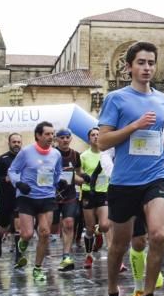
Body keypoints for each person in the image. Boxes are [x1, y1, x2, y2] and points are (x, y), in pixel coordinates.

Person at [98, 41, 164, 296]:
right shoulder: (116, 99)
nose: (147, 68)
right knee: (119, 245)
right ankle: (112, 293)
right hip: (124, 181)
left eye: (151, 63)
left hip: (155, 175)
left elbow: (161, 137)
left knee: (158, 235)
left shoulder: (161, 100)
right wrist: (133, 126)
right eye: (141, 63)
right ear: (129, 66)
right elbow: (102, 141)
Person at [8, 121, 64, 282]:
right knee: (27, 233)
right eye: (47, 134)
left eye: (52, 134)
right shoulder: (26, 152)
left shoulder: (56, 154)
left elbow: (58, 172)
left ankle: (38, 268)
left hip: (46, 196)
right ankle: (22, 242)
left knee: (45, 233)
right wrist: (18, 183)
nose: (51, 137)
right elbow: (13, 170)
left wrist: (59, 181)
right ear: (38, 135)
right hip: (27, 196)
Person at [52, 128, 84, 272]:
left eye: (67, 137)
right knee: (48, 230)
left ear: (71, 139)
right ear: (56, 139)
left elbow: (77, 176)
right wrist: (58, 179)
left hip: (69, 196)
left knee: (69, 224)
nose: (65, 140)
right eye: (62, 137)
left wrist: (84, 179)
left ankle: (66, 256)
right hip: (51, 195)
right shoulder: (51, 154)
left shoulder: (76, 155)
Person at [80, 127, 110, 269]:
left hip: (104, 192)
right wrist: (84, 178)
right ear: (89, 139)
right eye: (93, 135)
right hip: (88, 193)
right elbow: (78, 172)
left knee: (105, 225)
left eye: (98, 134)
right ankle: (89, 255)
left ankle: (113, 256)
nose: (96, 137)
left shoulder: (107, 154)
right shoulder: (84, 156)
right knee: (90, 228)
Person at [0, 133, 22, 260]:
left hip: (20, 197)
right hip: (4, 197)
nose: (16, 144)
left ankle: (19, 255)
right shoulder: (2, 159)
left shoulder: (25, 158)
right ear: (9, 143)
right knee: (3, 226)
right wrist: (5, 179)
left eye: (18, 142)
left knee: (18, 225)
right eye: (14, 142)